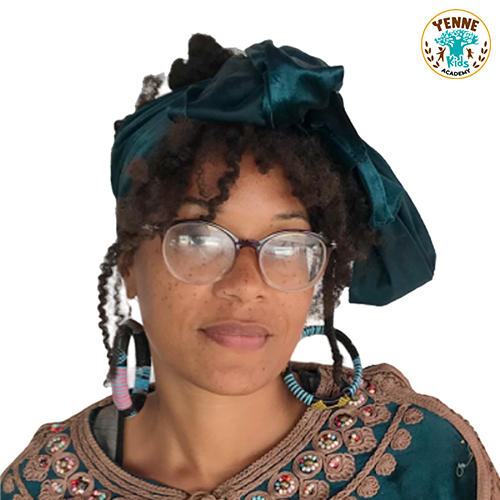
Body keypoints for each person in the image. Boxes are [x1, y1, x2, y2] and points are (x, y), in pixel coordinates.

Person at [1, 34, 498, 500]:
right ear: (130, 261)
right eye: (199, 239)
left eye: (287, 246)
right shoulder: (36, 486)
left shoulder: (426, 463)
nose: (245, 285)